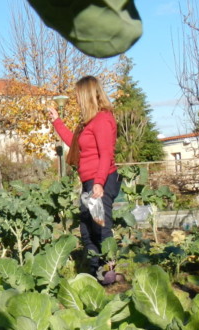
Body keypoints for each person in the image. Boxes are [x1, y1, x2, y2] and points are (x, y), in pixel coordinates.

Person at [48, 76, 120, 283]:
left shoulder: (103, 119)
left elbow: (106, 154)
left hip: (102, 179)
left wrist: (98, 183)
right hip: (90, 181)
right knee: (87, 228)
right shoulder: (88, 122)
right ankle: (93, 272)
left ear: (87, 95)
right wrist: (56, 121)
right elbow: (76, 144)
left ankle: (109, 273)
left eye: (78, 95)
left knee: (100, 226)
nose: (77, 99)